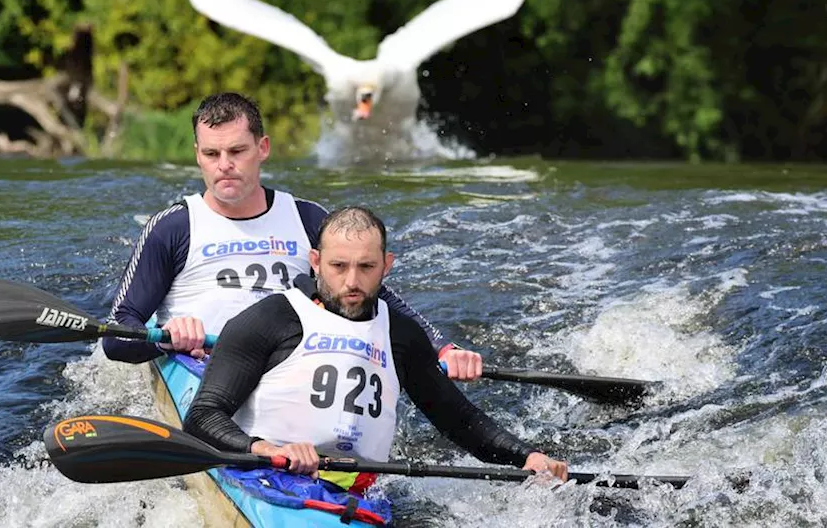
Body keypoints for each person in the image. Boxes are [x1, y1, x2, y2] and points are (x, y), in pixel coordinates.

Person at [183, 206, 568, 492]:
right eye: (339, 266)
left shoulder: (401, 335)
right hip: (269, 478)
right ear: (315, 262)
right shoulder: (268, 320)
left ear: (387, 265)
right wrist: (263, 449)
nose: (352, 281)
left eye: (366, 267)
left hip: (361, 492)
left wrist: (527, 457)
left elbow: (460, 421)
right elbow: (202, 417)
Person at [101, 93, 482, 379]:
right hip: (206, 372)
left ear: (262, 149)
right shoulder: (173, 228)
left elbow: (373, 294)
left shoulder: (308, 219)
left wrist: (443, 347)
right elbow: (117, 335)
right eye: (212, 154)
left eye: (237, 151)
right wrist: (165, 337)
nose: (225, 166)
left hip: (298, 373)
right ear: (197, 154)